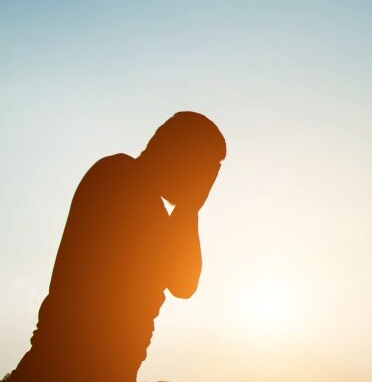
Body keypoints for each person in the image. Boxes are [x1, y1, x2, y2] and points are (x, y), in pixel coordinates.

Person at [9, 112, 226, 381]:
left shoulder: (147, 202)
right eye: (203, 168)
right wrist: (188, 208)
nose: (204, 182)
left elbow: (183, 285)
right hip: (67, 367)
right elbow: (182, 283)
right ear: (178, 154)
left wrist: (189, 207)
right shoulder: (120, 177)